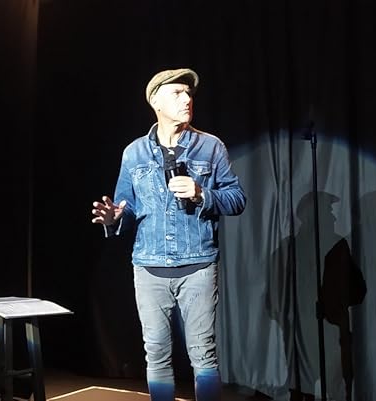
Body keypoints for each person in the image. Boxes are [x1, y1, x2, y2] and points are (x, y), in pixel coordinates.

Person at [91, 68, 246, 401]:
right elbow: (126, 209)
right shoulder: (134, 152)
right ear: (155, 102)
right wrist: (113, 219)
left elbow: (237, 199)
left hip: (198, 266)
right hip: (149, 268)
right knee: (157, 354)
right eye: (177, 93)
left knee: (203, 353)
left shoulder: (210, 146)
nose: (187, 99)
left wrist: (202, 193)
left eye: (188, 93)